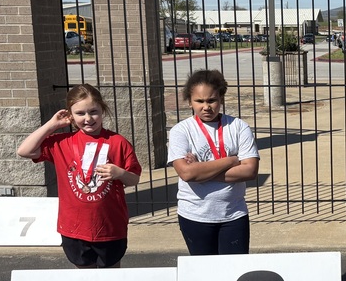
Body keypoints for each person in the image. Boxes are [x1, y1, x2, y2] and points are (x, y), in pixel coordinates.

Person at [17, 84, 142, 269]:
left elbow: (134, 179)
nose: (88, 118)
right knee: (83, 276)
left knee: (112, 276)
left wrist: (120, 173)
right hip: (74, 227)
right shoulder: (62, 143)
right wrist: (52, 125)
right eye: (80, 113)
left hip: (110, 226)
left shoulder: (118, 142)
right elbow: (24, 150)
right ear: (71, 115)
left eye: (94, 111)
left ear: (103, 110)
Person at [168, 69, 260, 255]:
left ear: (221, 99)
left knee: (234, 272)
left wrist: (200, 172)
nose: (206, 107)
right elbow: (186, 174)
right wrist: (232, 160)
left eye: (211, 100)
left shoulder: (238, 127)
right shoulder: (180, 131)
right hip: (195, 215)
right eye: (199, 101)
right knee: (204, 274)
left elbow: (250, 171)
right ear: (190, 101)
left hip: (233, 215)